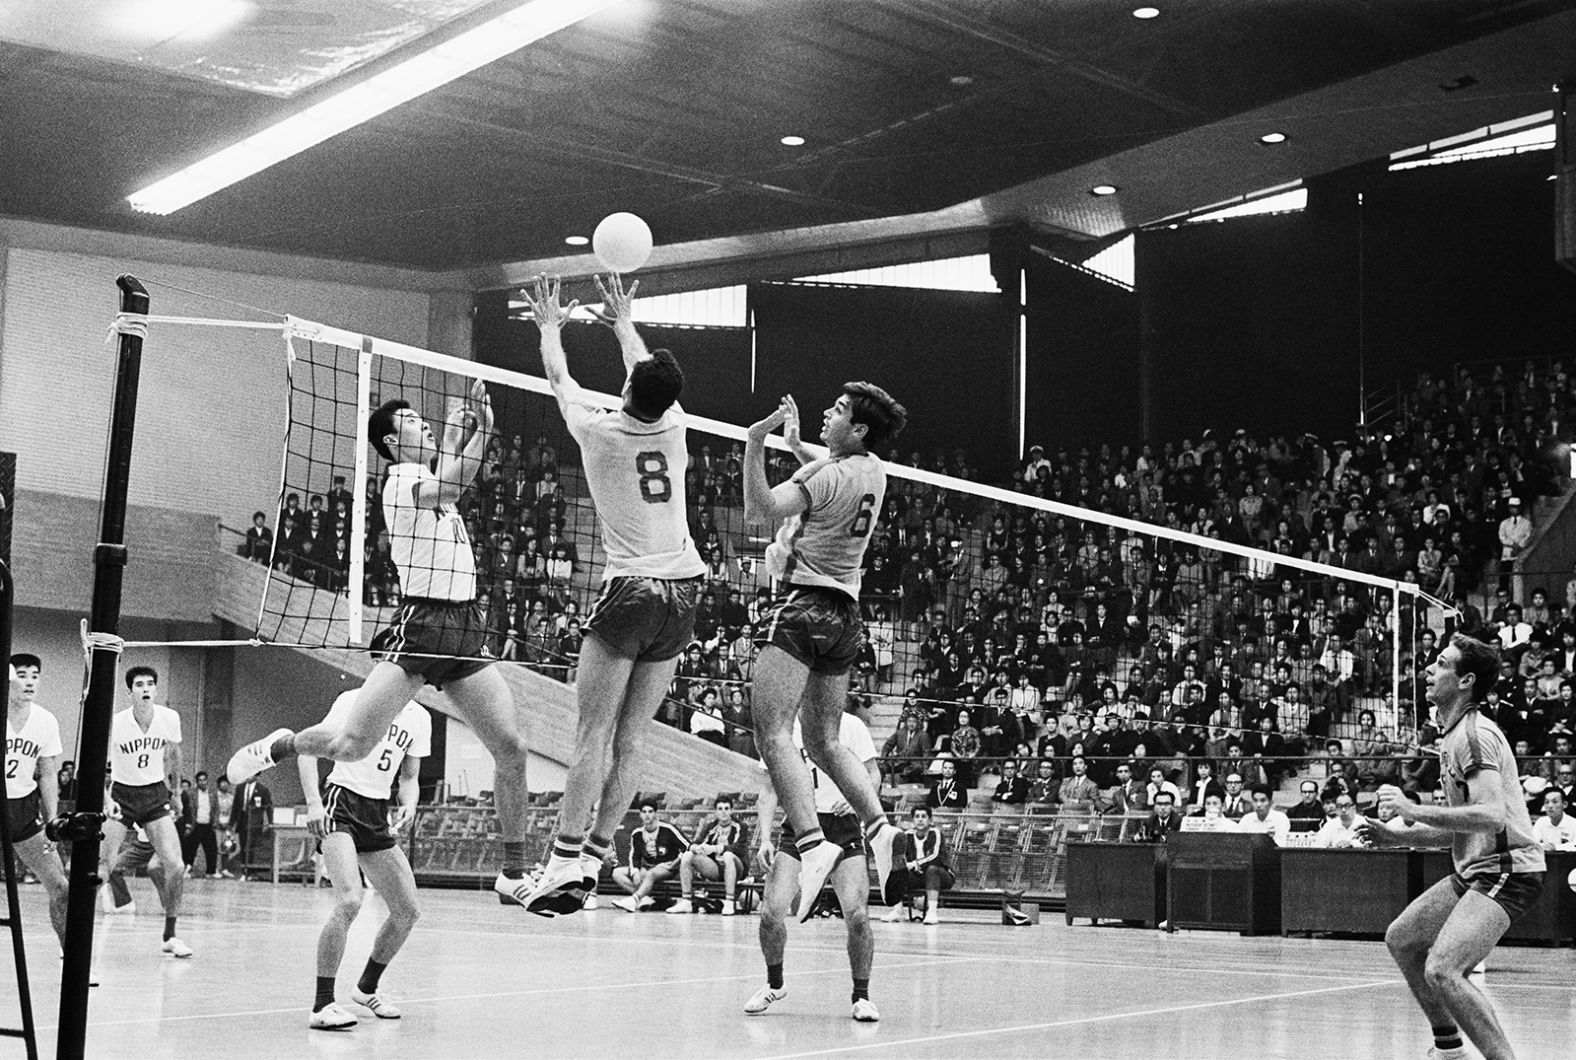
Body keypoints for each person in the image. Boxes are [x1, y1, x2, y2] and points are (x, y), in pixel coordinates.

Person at [227, 377, 534, 909]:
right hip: (423, 626)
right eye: (413, 422)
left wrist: (462, 436)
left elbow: (449, 478)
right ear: (393, 443)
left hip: (466, 627)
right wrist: (481, 429)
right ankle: (281, 745)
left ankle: (513, 869)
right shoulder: (399, 481)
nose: (425, 425)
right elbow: (452, 487)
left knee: (512, 748)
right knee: (351, 746)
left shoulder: (428, 473)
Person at [516, 275, 707, 916]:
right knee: (634, 738)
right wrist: (626, 324)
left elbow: (559, 381)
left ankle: (562, 861)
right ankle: (596, 856)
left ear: (627, 391)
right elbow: (645, 374)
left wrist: (551, 325)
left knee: (592, 731)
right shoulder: (675, 427)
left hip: (632, 590)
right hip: (685, 590)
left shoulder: (598, 433)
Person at [742, 385, 908, 918]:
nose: (826, 411)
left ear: (858, 429)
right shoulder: (874, 470)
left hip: (801, 607)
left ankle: (812, 846)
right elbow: (832, 468)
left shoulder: (821, 477)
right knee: (825, 741)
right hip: (845, 617)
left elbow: (758, 509)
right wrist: (795, 444)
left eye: (836, 409)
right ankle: (881, 829)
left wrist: (755, 442)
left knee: (771, 732)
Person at [1359, 634, 1545, 1060]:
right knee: (1404, 939)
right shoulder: (1451, 736)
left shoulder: (1475, 737)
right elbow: (1464, 828)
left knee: (1443, 968)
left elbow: (1491, 816)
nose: (1429, 669)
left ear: (1465, 681)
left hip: (1508, 870)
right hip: (1477, 867)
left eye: (1441, 663)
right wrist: (1399, 836)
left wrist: (1411, 809)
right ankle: (1449, 1049)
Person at [296, 687, 429, 1030]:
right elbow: (306, 750)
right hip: (340, 802)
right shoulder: (355, 700)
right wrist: (313, 803)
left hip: (377, 811)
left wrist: (410, 803)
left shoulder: (420, 717)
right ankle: (322, 1005)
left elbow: (410, 777)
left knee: (408, 910)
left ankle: (366, 988)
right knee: (350, 900)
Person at [745, 706, 881, 1022]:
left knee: (857, 915)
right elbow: (768, 790)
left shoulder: (851, 726)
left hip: (843, 826)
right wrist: (764, 838)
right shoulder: (781, 731)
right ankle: (774, 984)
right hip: (800, 825)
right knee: (771, 912)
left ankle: (861, 997)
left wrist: (857, 797)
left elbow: (873, 774)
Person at [99, 665, 192, 958]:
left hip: (154, 794)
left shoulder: (169, 718)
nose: (146, 689)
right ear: (130, 692)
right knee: (103, 868)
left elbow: (175, 755)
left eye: (150, 683)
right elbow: (96, 767)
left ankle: (171, 935)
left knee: (175, 866)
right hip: (122, 795)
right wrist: (105, 798)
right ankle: (75, 937)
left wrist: (175, 793)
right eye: (140, 684)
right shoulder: (115, 723)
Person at [4, 656, 71, 954]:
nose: (30, 681)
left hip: (23, 811)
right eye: (22, 675)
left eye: (35, 676)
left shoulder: (45, 721)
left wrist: (54, 819)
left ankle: (71, 958)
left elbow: (47, 773)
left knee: (62, 887)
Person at [669, 797, 750, 915]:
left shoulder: (741, 826)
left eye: (726, 808)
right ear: (715, 812)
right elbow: (696, 842)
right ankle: (686, 901)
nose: (723, 812)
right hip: (716, 868)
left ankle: (729, 902)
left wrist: (715, 848)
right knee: (688, 855)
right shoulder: (711, 827)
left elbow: (739, 848)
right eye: (720, 809)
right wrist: (696, 848)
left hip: (737, 868)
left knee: (728, 855)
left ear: (731, 811)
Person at [880, 806, 954, 925]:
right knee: (894, 870)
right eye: (917, 817)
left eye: (924, 817)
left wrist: (915, 864)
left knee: (932, 869)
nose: (920, 820)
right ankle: (897, 911)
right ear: (913, 820)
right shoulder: (906, 835)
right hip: (918, 875)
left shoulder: (936, 833)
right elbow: (899, 857)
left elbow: (935, 856)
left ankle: (932, 913)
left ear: (930, 820)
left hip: (942, 876)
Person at [611, 802, 688, 912]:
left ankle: (634, 900)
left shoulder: (668, 829)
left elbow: (688, 846)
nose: (647, 815)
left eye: (650, 812)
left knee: (652, 873)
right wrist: (635, 871)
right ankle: (645, 899)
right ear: (640, 814)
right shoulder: (637, 833)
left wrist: (676, 862)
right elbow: (634, 856)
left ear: (656, 814)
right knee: (617, 873)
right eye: (644, 812)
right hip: (648, 867)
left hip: (668, 868)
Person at [179, 770, 221, 877]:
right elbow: (186, 810)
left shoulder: (212, 793)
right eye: (200, 780)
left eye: (204, 780)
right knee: (191, 849)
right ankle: (187, 869)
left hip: (208, 824)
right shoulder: (191, 793)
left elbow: (216, 808)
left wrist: (215, 822)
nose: (202, 782)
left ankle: (211, 871)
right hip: (196, 825)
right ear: (197, 782)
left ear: (207, 781)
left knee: (212, 849)